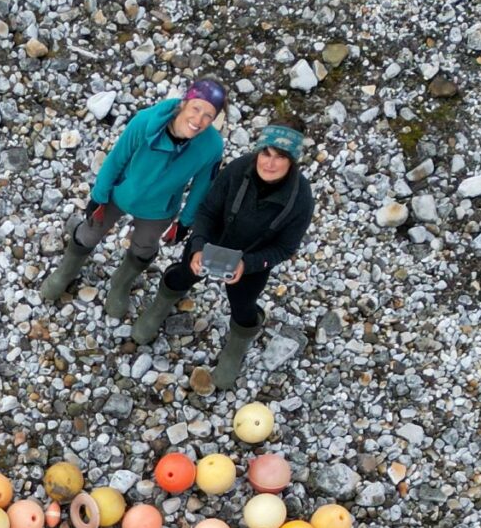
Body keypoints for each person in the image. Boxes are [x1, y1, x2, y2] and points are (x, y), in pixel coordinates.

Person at [139, 125, 317, 387]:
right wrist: (199, 245)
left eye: (280, 157)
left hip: (253, 258)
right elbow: (208, 210)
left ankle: (236, 348)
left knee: (244, 305)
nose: (269, 163)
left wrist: (249, 264)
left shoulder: (300, 198)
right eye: (265, 153)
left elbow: (285, 248)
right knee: (183, 275)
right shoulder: (238, 169)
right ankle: (160, 307)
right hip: (213, 242)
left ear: (292, 161)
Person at [39, 82, 227, 323]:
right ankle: (66, 272)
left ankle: (121, 283)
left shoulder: (212, 146)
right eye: (196, 108)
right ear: (184, 103)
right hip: (121, 193)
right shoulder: (146, 121)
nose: (199, 120)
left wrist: (185, 221)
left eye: (208, 115)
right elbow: (117, 158)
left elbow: (202, 187)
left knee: (144, 248)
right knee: (89, 234)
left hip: (158, 209)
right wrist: (98, 196)